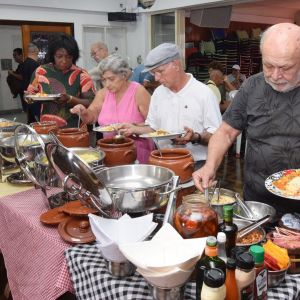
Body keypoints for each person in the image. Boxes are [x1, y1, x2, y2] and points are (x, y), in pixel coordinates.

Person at [193, 23, 300, 214]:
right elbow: (226, 132)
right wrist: (210, 165)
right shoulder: (252, 86)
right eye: (268, 65)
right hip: (257, 203)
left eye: (285, 67)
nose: (275, 75)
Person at [120, 43, 222, 168]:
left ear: (176, 65)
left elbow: (218, 137)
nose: (156, 78)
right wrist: (133, 129)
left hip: (195, 164)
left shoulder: (204, 93)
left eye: (160, 72)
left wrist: (196, 137)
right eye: (153, 73)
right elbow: (154, 128)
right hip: (163, 160)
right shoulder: (158, 93)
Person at [70, 54, 153, 163]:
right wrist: (83, 111)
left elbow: (154, 125)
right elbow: (91, 117)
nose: (107, 84)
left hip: (136, 151)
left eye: (111, 79)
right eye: (104, 80)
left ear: (123, 75)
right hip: (109, 151)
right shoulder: (103, 93)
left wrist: (135, 128)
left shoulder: (138, 92)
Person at [27, 33, 95, 128]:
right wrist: (28, 97)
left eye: (68, 57)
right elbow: (29, 98)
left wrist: (70, 99)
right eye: (59, 56)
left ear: (73, 56)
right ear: (53, 55)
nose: (64, 60)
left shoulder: (82, 74)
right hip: (47, 127)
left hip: (75, 129)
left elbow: (91, 102)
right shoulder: (40, 72)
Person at [19, 43, 40, 123]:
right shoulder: (35, 65)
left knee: (31, 118)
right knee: (36, 119)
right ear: (36, 51)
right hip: (34, 95)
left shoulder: (23, 64)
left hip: (26, 94)